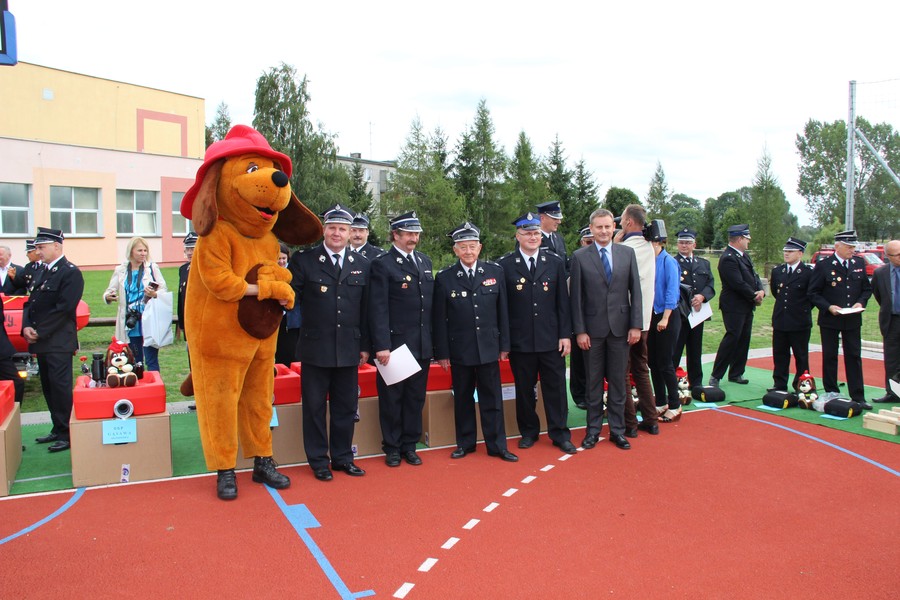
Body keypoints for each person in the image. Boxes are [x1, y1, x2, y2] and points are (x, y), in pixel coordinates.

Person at [290, 203, 371, 481]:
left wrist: (365, 345)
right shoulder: (305, 261)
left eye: (343, 229)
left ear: (351, 233)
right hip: (315, 347)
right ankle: (318, 461)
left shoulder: (361, 264)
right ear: (324, 230)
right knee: (313, 406)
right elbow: (292, 299)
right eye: (333, 227)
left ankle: (342, 458)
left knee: (346, 407)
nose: (337, 233)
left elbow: (367, 310)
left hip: (349, 347)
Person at [433, 222, 517, 462]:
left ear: (479, 248)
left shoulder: (494, 272)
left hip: (489, 348)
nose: (468, 251)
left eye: (472, 246)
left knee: (493, 399)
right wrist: (442, 352)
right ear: (455, 250)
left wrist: (504, 346)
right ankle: (466, 443)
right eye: (463, 247)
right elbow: (439, 319)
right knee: (463, 398)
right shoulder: (446, 278)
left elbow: (503, 312)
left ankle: (497, 445)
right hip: (460, 349)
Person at [498, 212, 576, 454]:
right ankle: (529, 432)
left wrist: (565, 335)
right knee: (524, 391)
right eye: (527, 233)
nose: (532, 237)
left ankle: (559, 433)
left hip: (551, 340)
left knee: (556, 390)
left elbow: (563, 303)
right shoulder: (505, 265)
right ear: (517, 236)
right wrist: (506, 341)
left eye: (535, 233)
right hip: (521, 342)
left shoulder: (554, 262)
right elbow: (503, 308)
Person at [570, 208, 643, 450]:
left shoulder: (627, 253)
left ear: (615, 228)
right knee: (592, 384)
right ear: (591, 229)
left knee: (618, 382)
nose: (603, 231)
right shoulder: (580, 257)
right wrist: (580, 331)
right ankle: (592, 431)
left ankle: (617, 430)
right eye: (598, 227)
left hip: (621, 330)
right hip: (592, 331)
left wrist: (636, 326)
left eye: (607, 226)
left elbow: (636, 292)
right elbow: (576, 298)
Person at [369, 211, 433, 467]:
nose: (413, 238)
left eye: (416, 233)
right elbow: (378, 308)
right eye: (408, 233)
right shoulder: (383, 264)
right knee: (393, 399)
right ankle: (392, 447)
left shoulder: (424, 261)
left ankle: (409, 444)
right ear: (395, 235)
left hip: (421, 343)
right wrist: (381, 345)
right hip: (395, 346)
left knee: (415, 398)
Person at [22, 227, 84, 452]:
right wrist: (26, 326)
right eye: (37, 248)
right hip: (42, 339)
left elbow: (65, 308)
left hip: (58, 340)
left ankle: (68, 433)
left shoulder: (69, 272)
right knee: (48, 386)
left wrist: (40, 330)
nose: (38, 251)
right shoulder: (40, 271)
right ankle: (57, 427)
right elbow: (31, 302)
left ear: (57, 246)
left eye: (41, 247)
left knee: (60, 387)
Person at [808, 230, 873, 409]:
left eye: (854, 247)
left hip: (852, 319)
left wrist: (860, 303)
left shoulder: (858, 263)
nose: (852, 250)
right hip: (830, 318)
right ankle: (832, 393)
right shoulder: (824, 265)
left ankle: (858, 396)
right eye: (849, 247)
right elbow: (813, 293)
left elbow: (866, 289)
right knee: (830, 356)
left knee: (854, 356)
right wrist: (829, 307)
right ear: (838, 246)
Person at [616, 204, 659, 436]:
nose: (620, 223)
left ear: (629, 222)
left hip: (623, 319)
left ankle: (629, 423)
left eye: (622, 220)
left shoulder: (624, 248)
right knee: (641, 369)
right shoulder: (650, 247)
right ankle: (651, 419)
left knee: (622, 372)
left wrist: (614, 244)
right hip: (644, 320)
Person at [709, 224, 765, 387]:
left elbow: (754, 276)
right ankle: (716, 375)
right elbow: (737, 283)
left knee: (744, 339)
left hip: (746, 304)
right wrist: (754, 295)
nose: (748, 242)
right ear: (739, 239)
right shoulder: (728, 258)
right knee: (732, 337)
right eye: (746, 239)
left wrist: (761, 290)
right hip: (734, 305)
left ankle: (736, 372)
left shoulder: (744, 256)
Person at [102, 237, 167, 372]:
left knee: (151, 359)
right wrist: (108, 296)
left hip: (148, 319)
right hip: (131, 321)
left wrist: (154, 294)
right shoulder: (121, 270)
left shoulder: (152, 268)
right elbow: (109, 291)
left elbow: (163, 290)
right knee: (135, 359)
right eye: (140, 250)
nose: (143, 253)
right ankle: (138, 386)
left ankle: (155, 386)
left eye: (145, 250)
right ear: (131, 251)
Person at [672, 228, 716, 388]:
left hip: (698, 313)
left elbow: (711, 285)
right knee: (675, 349)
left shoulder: (703, 263)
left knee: (695, 350)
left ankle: (696, 382)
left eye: (688, 243)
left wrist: (702, 296)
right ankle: (671, 381)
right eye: (682, 242)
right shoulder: (672, 262)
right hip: (680, 312)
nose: (684, 245)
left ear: (694, 244)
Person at [646, 226, 682, 422]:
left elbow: (672, 291)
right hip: (652, 315)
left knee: (665, 362)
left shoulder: (668, 262)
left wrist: (666, 317)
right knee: (653, 362)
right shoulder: (649, 261)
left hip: (666, 315)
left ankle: (675, 404)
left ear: (659, 243)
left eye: (651, 243)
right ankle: (660, 401)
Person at [768, 237, 813, 392]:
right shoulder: (778, 271)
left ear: (800, 253)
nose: (786, 254)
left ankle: (802, 384)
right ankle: (779, 384)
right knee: (780, 354)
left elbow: (811, 296)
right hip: (781, 319)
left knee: (801, 355)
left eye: (790, 251)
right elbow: (776, 292)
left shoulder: (807, 273)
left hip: (799, 320)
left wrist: (801, 310)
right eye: (785, 251)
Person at [568, 226, 594, 411]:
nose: (590, 244)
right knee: (579, 362)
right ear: (581, 242)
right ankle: (580, 395)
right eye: (587, 241)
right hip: (578, 319)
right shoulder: (576, 259)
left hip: (599, 320)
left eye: (593, 241)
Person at [871, 239, 900, 403]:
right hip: (892, 321)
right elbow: (879, 296)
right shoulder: (880, 273)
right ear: (888, 256)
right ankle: (893, 392)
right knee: (892, 359)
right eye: (897, 255)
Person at [177, 232, 198, 410]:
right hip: (189, 324)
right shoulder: (183, 269)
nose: (190, 252)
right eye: (187, 249)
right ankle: (199, 397)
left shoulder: (206, 267)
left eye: (193, 248)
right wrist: (182, 324)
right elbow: (181, 298)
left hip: (202, 324)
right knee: (192, 361)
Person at [275, 243, 301, 367]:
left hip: (291, 321)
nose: (281, 262)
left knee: (291, 353)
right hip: (274, 319)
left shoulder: (294, 272)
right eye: (278, 258)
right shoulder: (269, 273)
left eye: (283, 258)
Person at [536, 200, 568, 271]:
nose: (559, 222)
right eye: (555, 218)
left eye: (559, 219)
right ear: (542, 218)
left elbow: (565, 265)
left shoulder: (559, 239)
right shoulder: (531, 239)